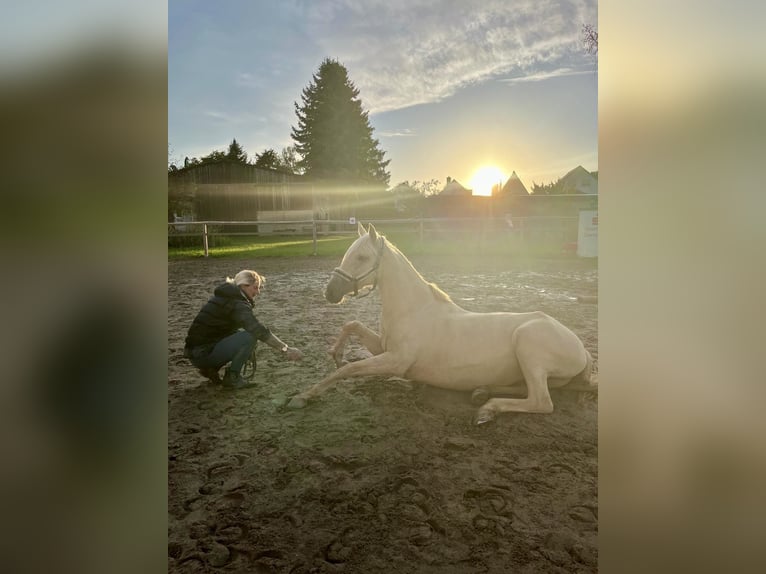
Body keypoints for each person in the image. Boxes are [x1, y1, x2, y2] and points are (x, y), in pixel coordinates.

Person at [184, 270, 303, 388]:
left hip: (195, 353)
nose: (258, 292)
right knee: (249, 337)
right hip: (202, 355)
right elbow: (257, 330)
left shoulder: (225, 297)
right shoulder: (237, 303)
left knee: (241, 335)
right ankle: (232, 378)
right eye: (255, 288)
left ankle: (211, 369)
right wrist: (285, 349)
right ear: (244, 285)